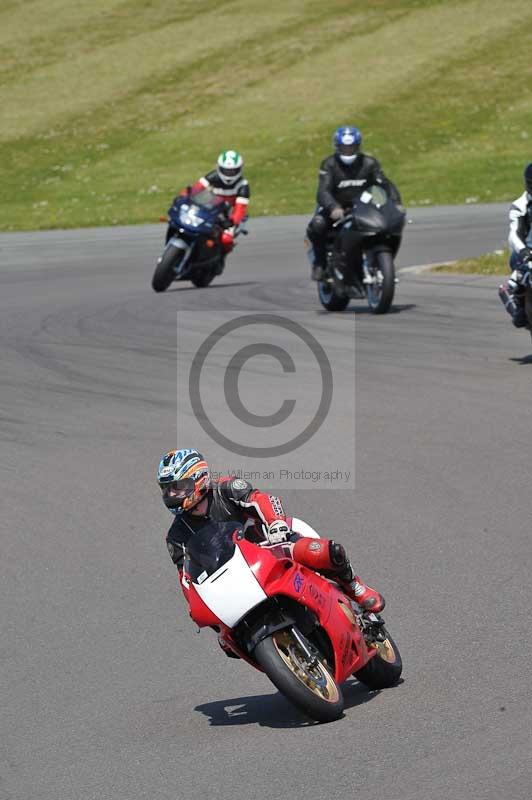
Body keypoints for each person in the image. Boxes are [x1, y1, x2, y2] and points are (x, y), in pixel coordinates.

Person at [158, 449, 384, 655]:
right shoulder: (176, 536)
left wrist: (276, 524)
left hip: (269, 546)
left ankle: (354, 587)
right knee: (230, 644)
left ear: (198, 478)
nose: (172, 494)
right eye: (167, 489)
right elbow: (186, 578)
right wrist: (205, 613)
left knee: (323, 552)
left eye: (178, 487)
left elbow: (262, 500)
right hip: (232, 577)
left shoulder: (226, 488)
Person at [306, 126, 401, 281]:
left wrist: (396, 203)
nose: (348, 151)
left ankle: (379, 259)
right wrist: (333, 207)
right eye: (344, 147)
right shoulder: (329, 164)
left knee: (387, 226)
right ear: (337, 147)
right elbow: (323, 191)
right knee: (317, 225)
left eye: (351, 147)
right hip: (336, 208)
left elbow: (385, 184)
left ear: (358, 146)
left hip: (363, 207)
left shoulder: (369, 163)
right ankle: (320, 263)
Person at [166, 150, 249, 255]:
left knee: (226, 239)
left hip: (228, 215)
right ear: (219, 168)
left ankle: (219, 257)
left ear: (239, 170)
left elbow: (240, 209)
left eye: (233, 171)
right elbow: (196, 188)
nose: (229, 174)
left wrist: (232, 222)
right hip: (210, 208)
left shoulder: (243, 185)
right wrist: (182, 197)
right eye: (226, 171)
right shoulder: (213, 176)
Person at [498, 163, 532, 328]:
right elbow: (514, 233)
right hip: (526, 252)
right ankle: (516, 304)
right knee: (519, 275)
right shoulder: (520, 205)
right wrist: (525, 251)